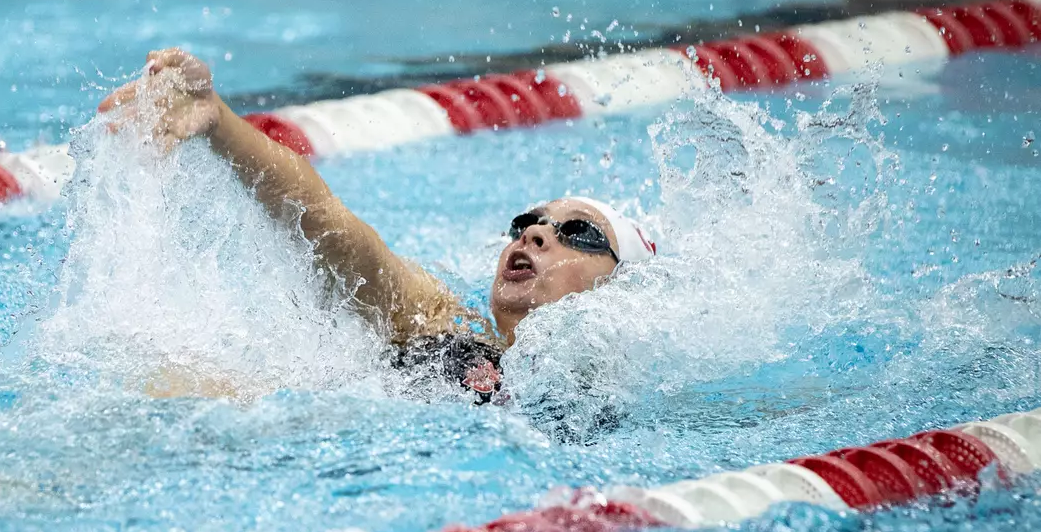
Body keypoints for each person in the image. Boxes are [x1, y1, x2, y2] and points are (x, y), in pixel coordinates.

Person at [98, 47, 656, 402]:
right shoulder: (441, 322)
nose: (534, 234)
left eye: (576, 232)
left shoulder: (613, 401)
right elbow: (331, 230)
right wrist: (219, 125)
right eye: (527, 223)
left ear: (620, 287)